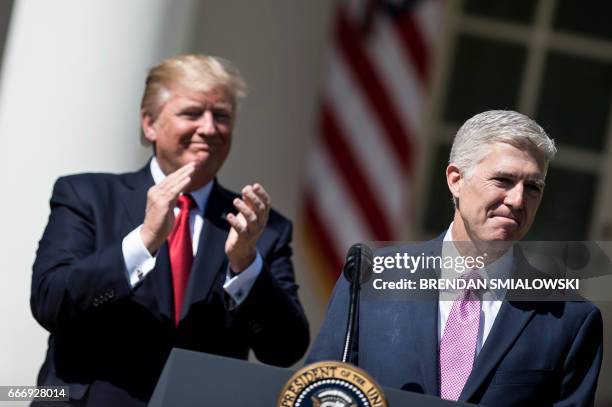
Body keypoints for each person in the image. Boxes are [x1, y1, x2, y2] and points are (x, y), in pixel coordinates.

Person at [31, 54, 309, 406]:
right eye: (192, 113)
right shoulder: (86, 196)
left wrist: (245, 265)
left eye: (221, 116)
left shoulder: (259, 227)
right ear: (150, 124)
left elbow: (285, 349)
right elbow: (50, 302)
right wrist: (143, 241)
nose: (209, 128)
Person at [307, 110, 603, 406]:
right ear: (455, 180)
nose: (517, 200)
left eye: (533, 187)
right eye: (503, 180)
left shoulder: (570, 318)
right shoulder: (372, 278)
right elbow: (317, 393)